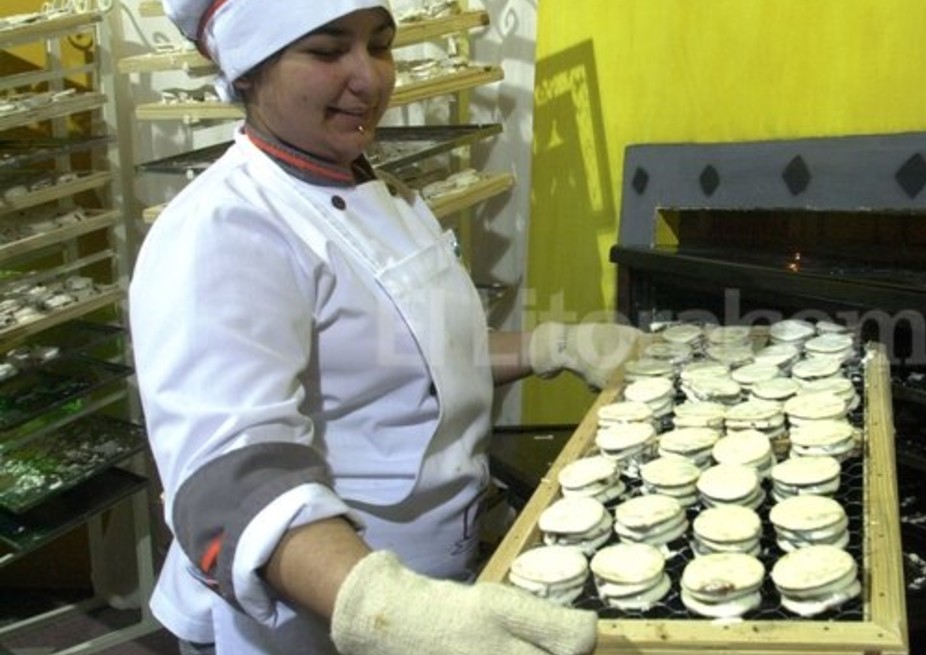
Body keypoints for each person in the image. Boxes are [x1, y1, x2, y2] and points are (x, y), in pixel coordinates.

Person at [128, 1, 643, 652]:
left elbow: (418, 357)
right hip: (324, 613)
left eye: (379, 46)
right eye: (325, 50)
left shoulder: (390, 196)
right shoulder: (223, 228)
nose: (369, 78)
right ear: (250, 72)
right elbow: (230, 478)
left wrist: (555, 344)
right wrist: (386, 608)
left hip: (429, 589)